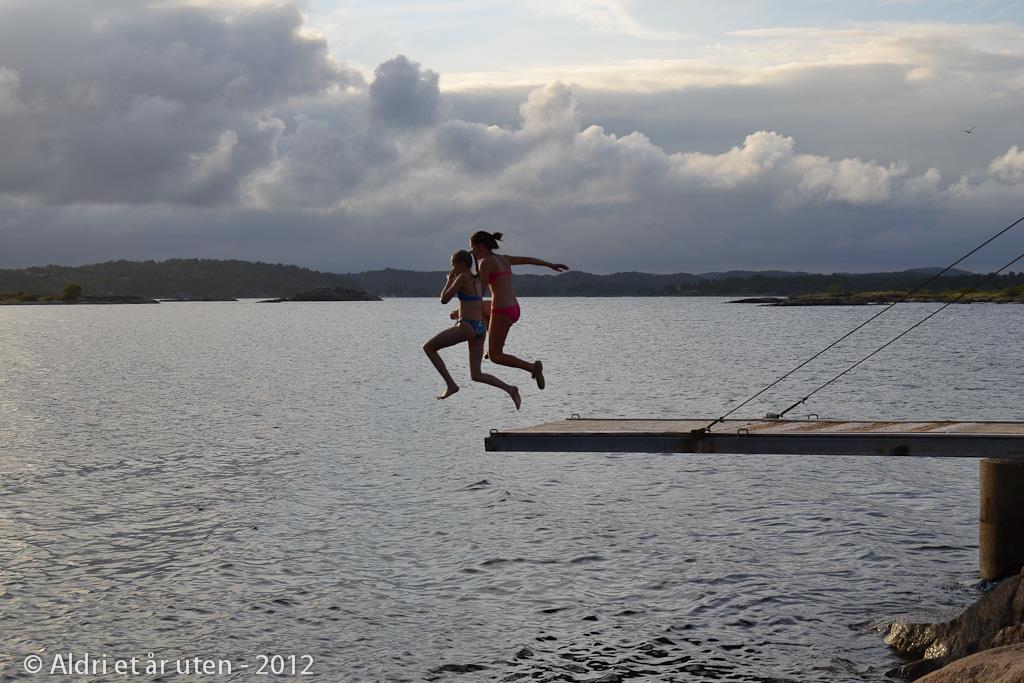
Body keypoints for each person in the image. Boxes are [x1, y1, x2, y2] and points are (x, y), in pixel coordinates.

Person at [423, 250, 521, 409]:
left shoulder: (462, 278)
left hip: (467, 326)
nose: (452, 268)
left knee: (428, 347)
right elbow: (472, 301)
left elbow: (444, 299)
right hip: (481, 328)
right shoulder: (479, 279)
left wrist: (449, 281)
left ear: (460, 264)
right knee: (476, 374)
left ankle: (451, 385)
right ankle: (510, 389)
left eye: (453, 265)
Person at [470, 230, 568, 390]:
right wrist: (550, 265)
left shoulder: (485, 263)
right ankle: (492, 343)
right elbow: (529, 260)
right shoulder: (504, 259)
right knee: (481, 310)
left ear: (480, 246)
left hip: (501, 311)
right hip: (514, 308)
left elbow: (479, 294)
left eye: (472, 248)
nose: (472, 252)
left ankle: (532, 367)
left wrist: (465, 289)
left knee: (496, 356)